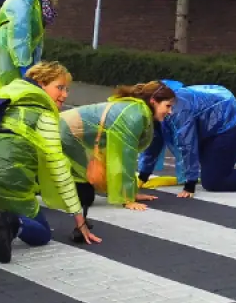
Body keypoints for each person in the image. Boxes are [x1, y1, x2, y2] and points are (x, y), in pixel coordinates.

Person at [0, 61, 101, 263]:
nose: (65, 95)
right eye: (59, 87)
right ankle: (11, 223)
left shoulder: (5, 98)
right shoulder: (43, 114)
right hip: (7, 175)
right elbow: (58, 167)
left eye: (67, 90)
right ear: (41, 83)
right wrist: (80, 220)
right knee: (42, 234)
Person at [59, 81, 176, 242]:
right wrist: (127, 198)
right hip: (65, 133)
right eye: (168, 106)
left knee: (85, 192)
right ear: (153, 101)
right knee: (83, 188)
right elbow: (124, 158)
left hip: (67, 130)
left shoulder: (136, 110)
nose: (170, 112)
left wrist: (132, 192)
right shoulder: (135, 115)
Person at [137, 80, 236, 197]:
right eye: (167, 107)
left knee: (214, 181)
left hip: (229, 125)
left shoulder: (177, 109)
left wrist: (190, 183)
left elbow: (187, 144)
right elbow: (154, 140)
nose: (169, 111)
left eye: (170, 107)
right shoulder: (156, 106)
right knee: (213, 171)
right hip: (209, 127)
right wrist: (144, 175)